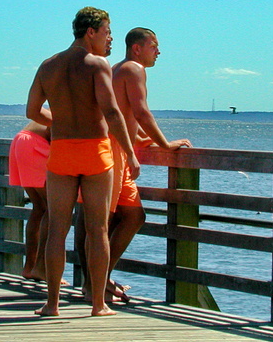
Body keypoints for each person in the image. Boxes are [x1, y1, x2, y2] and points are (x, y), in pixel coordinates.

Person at [26, 6, 139, 317]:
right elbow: (113, 112)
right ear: (91, 33)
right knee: (98, 229)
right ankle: (98, 304)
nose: (110, 39)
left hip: (62, 150)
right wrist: (129, 152)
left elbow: (32, 112)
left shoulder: (48, 65)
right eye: (106, 32)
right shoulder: (96, 64)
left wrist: (60, 119)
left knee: (57, 230)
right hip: (95, 151)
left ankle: (52, 304)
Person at [79, 26, 192, 303]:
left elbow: (124, 115)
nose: (158, 52)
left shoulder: (119, 68)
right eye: (154, 46)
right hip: (112, 151)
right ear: (137, 48)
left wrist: (141, 141)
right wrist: (165, 144)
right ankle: (95, 284)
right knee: (102, 221)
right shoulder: (133, 69)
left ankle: (99, 279)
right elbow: (140, 111)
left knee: (132, 216)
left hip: (115, 147)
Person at [8, 120, 51, 282]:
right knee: (54, 209)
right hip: (34, 143)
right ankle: (41, 268)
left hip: (22, 140)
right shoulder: (79, 106)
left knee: (40, 207)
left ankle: (30, 267)